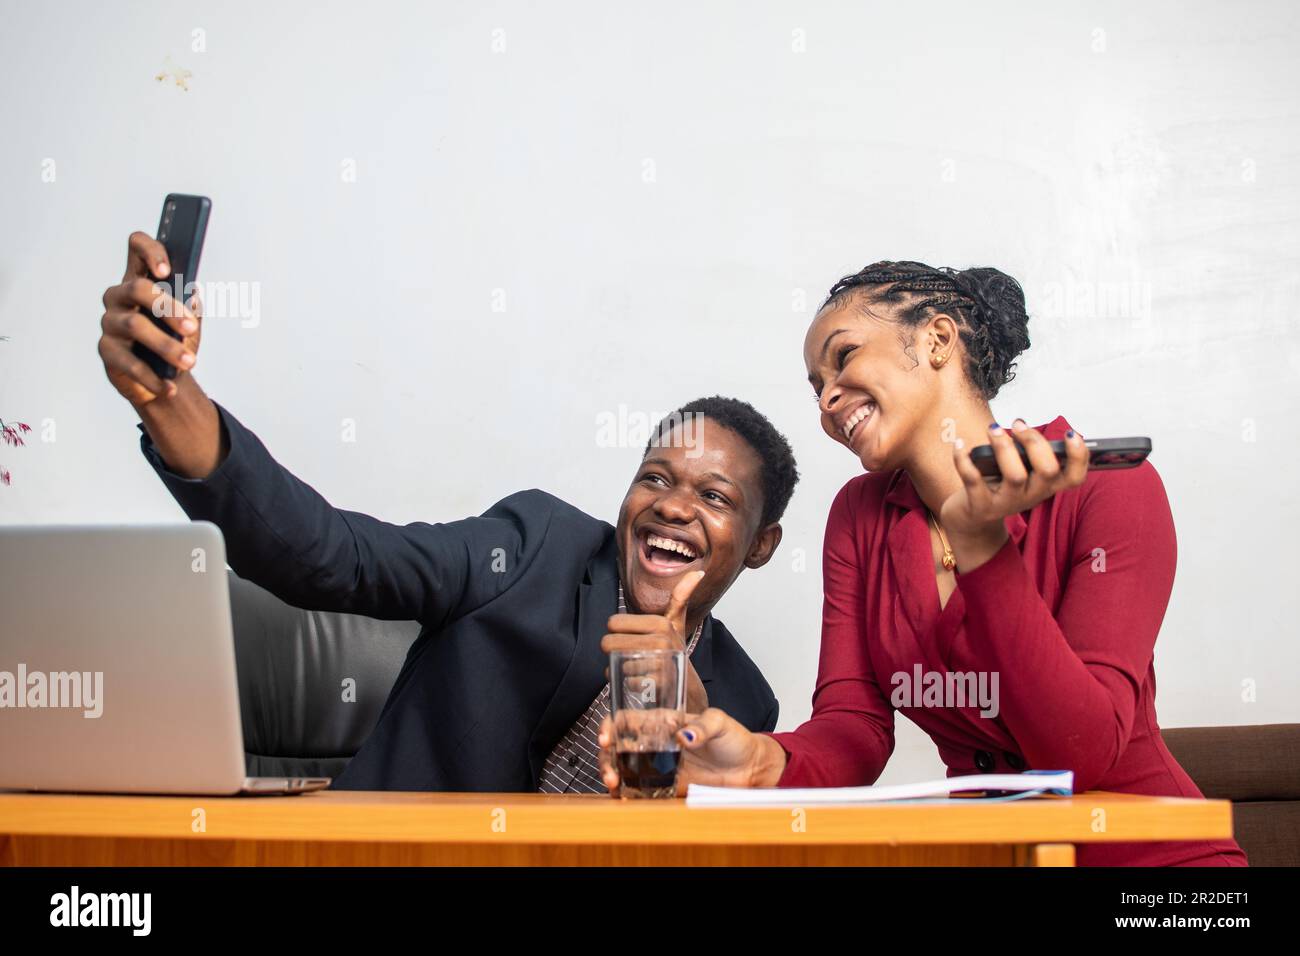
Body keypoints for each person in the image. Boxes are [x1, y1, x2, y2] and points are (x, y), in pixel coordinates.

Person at [96, 231, 799, 792]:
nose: (672, 506)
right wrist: (168, 398)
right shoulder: (533, 550)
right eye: (655, 478)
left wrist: (692, 729)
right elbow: (334, 557)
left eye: (712, 497)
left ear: (761, 543)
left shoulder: (745, 701)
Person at [599, 260, 1247, 866]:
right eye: (816, 386)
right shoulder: (859, 516)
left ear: (936, 340)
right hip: (987, 852)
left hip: (1150, 862)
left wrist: (981, 547)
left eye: (844, 357)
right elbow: (853, 725)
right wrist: (760, 763)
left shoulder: (1105, 489)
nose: (827, 399)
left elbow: (1081, 753)